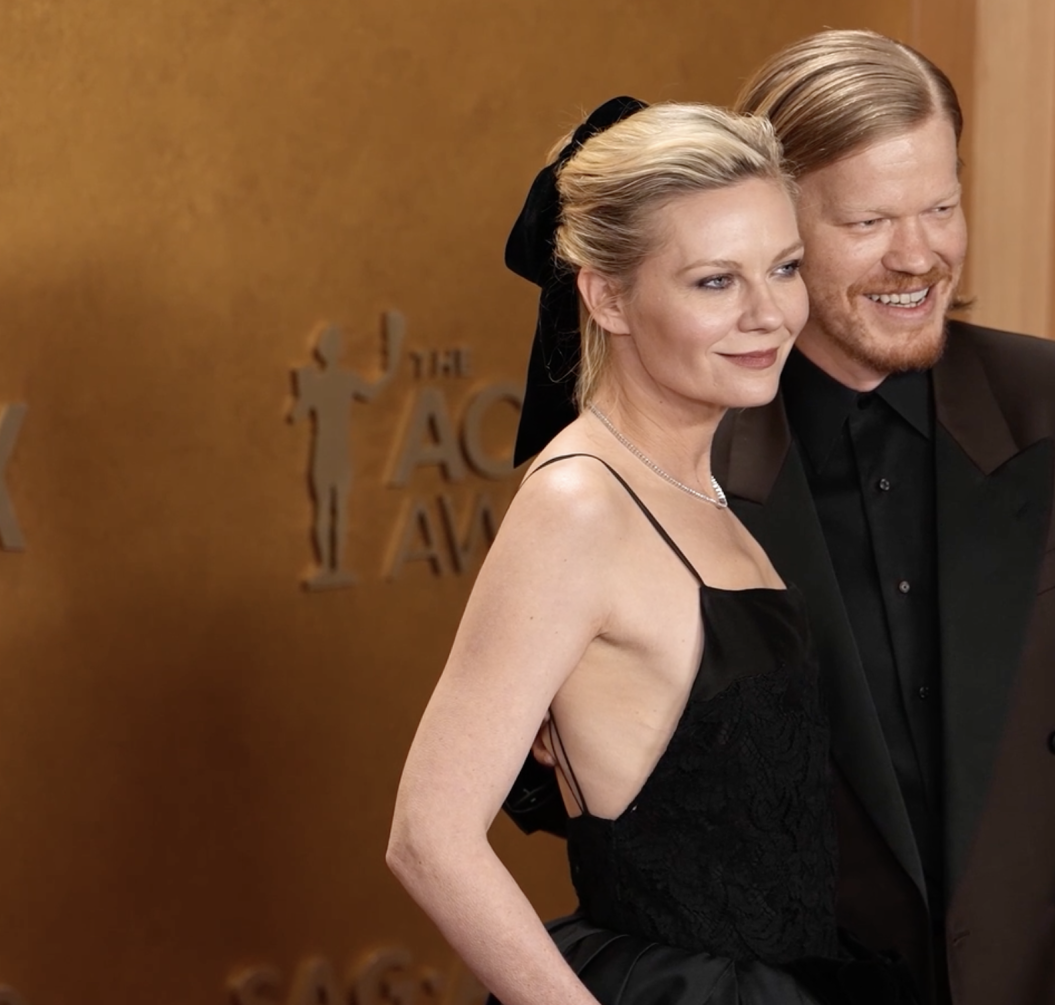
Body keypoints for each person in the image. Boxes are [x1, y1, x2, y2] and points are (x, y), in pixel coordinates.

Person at [716, 30, 1055, 1004]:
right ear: (776, 232)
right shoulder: (700, 466)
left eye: (941, 206)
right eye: (869, 221)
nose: (918, 255)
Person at [386, 97, 913, 1005]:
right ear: (606, 296)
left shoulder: (701, 485)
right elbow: (428, 837)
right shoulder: (580, 505)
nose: (769, 314)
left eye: (784, 268)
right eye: (715, 282)